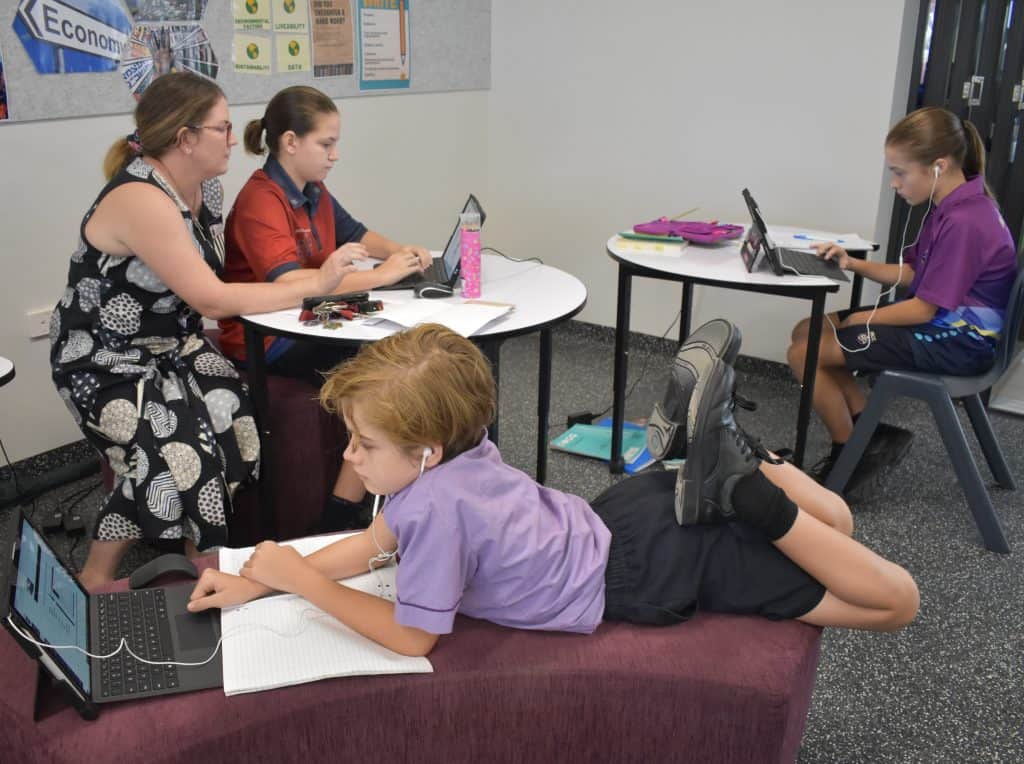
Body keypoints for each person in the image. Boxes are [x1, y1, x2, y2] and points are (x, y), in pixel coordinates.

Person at [187, 323, 919, 656]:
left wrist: (300, 585)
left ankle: (743, 486)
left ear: (425, 450)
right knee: (841, 527)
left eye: (364, 444)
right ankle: (737, 456)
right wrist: (267, 580)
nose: (348, 457)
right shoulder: (457, 458)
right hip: (628, 510)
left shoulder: (435, 505)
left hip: (650, 570)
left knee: (895, 604)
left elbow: (412, 638)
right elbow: (372, 545)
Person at [50, 72, 361, 589]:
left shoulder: (204, 188)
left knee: (238, 424)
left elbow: (212, 287)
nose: (233, 140)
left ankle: (203, 557)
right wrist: (317, 288)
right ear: (185, 138)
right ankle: (95, 579)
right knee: (171, 457)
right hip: (105, 359)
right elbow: (212, 298)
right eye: (222, 128)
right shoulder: (141, 198)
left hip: (175, 347)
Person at [218, 85, 434, 531]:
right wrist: (381, 275)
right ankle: (341, 510)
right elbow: (292, 282)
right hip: (270, 333)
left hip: (307, 314)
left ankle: (394, 485)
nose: (335, 155)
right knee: (380, 370)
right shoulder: (261, 199)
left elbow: (356, 232)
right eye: (326, 144)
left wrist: (400, 251)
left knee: (398, 341)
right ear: (290, 142)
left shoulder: (313, 188)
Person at [787, 107, 1018, 492]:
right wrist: (851, 264)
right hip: (939, 326)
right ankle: (869, 432)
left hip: (958, 343)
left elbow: (924, 307)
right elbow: (912, 274)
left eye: (900, 172)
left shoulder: (965, 221)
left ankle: (850, 454)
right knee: (807, 329)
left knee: (804, 353)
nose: (894, 183)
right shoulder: (952, 205)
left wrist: (863, 321)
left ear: (939, 167)